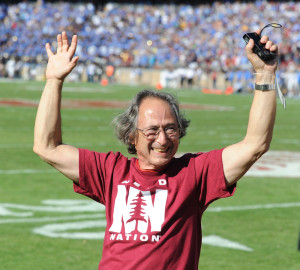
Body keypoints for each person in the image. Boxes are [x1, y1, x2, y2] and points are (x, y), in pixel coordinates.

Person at [33, 30, 278, 269]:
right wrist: (54, 81)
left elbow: (255, 145)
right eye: (151, 131)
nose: (162, 139)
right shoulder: (110, 171)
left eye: (171, 129)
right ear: (131, 135)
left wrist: (264, 74)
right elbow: (47, 147)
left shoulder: (195, 173)